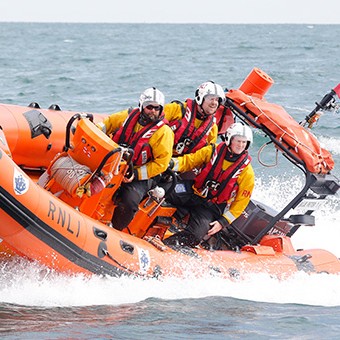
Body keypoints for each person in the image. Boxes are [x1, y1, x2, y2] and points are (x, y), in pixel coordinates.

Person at [164, 122, 254, 248]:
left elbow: (241, 202)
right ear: (229, 139)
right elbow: (190, 161)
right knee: (164, 190)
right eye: (238, 141)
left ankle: (166, 246)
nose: (241, 145)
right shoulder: (211, 151)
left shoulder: (247, 172)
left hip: (210, 207)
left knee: (195, 236)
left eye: (244, 142)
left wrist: (222, 222)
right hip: (193, 191)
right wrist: (170, 163)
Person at [97, 87, 174, 231]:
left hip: (143, 174)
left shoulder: (164, 133)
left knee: (130, 200)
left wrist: (135, 174)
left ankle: (115, 229)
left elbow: (161, 164)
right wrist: (95, 130)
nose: (153, 111)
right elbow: (107, 124)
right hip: (116, 163)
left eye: (157, 108)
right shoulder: (127, 117)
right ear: (141, 106)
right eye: (149, 107)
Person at [163, 81, 227, 156]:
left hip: (183, 164)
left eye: (217, 100)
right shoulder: (175, 109)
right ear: (200, 97)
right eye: (211, 98)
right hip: (160, 157)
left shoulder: (212, 128)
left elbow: (203, 156)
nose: (214, 103)